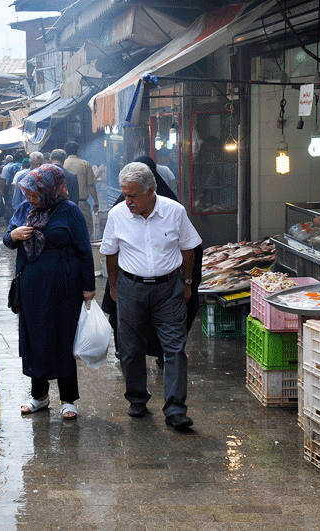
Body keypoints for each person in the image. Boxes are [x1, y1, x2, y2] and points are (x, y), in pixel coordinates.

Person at [100, 162, 201, 431]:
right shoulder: (117, 215)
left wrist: (187, 282)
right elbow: (111, 253)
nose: (128, 201)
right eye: (125, 194)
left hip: (169, 289)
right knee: (130, 348)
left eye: (133, 195)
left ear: (151, 190)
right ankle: (136, 398)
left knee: (175, 348)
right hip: (131, 288)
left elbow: (189, 248)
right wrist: (113, 287)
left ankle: (175, 409)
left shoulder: (174, 211)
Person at [3, 164, 95, 421]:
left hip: (65, 287)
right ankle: (39, 397)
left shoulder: (69, 212)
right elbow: (6, 240)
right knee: (36, 339)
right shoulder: (24, 210)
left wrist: (89, 287)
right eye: (28, 193)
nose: (30, 198)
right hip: (31, 287)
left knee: (63, 339)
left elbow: (85, 251)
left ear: (50, 190)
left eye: (35, 193)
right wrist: (15, 234)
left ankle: (68, 400)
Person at [63, 141, 99, 236]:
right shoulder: (84, 164)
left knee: (68, 230)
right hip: (81, 203)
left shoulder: (63, 164)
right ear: (78, 151)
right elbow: (91, 185)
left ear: (65, 152)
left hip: (65, 203)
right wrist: (96, 201)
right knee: (87, 229)